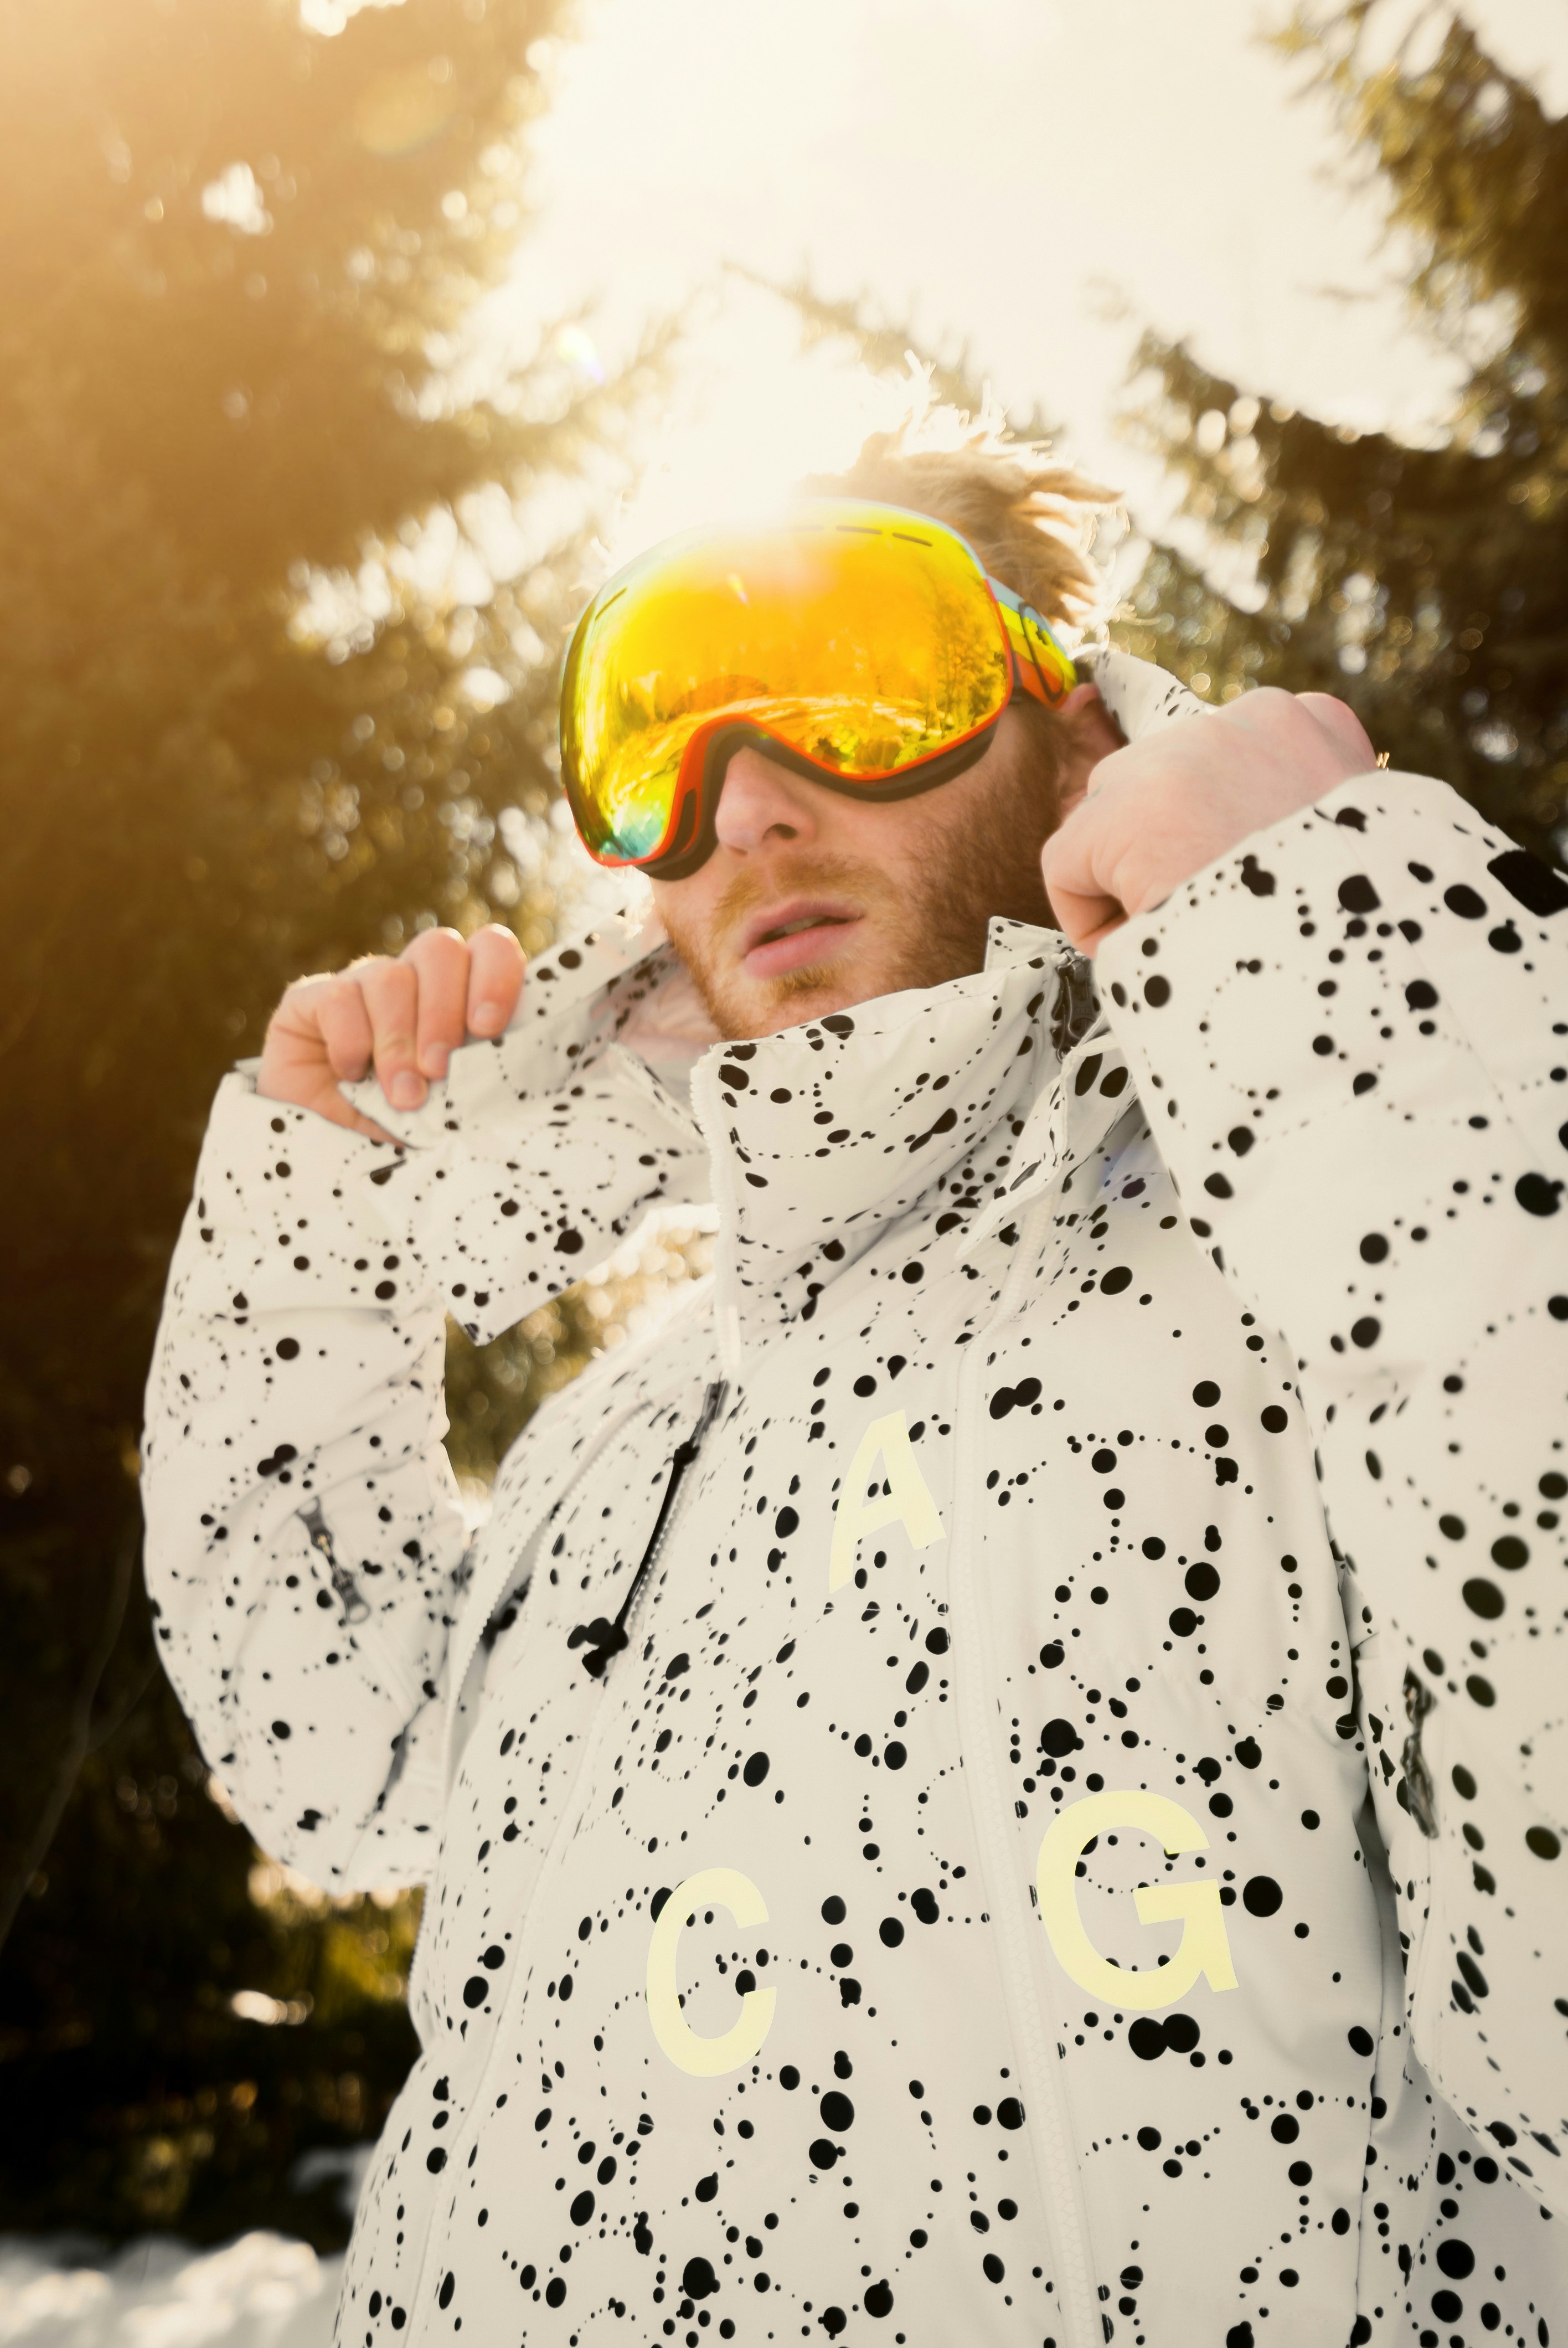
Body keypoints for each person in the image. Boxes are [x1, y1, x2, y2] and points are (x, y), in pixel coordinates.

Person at [142, 420, 1566, 2348]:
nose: (747, 809)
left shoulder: (1332, 1245)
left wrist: (1340, 961)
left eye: (862, 688)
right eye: (668, 736)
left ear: (1080, 736)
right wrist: (325, 1241)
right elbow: (334, 1765)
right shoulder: (624, 1430)